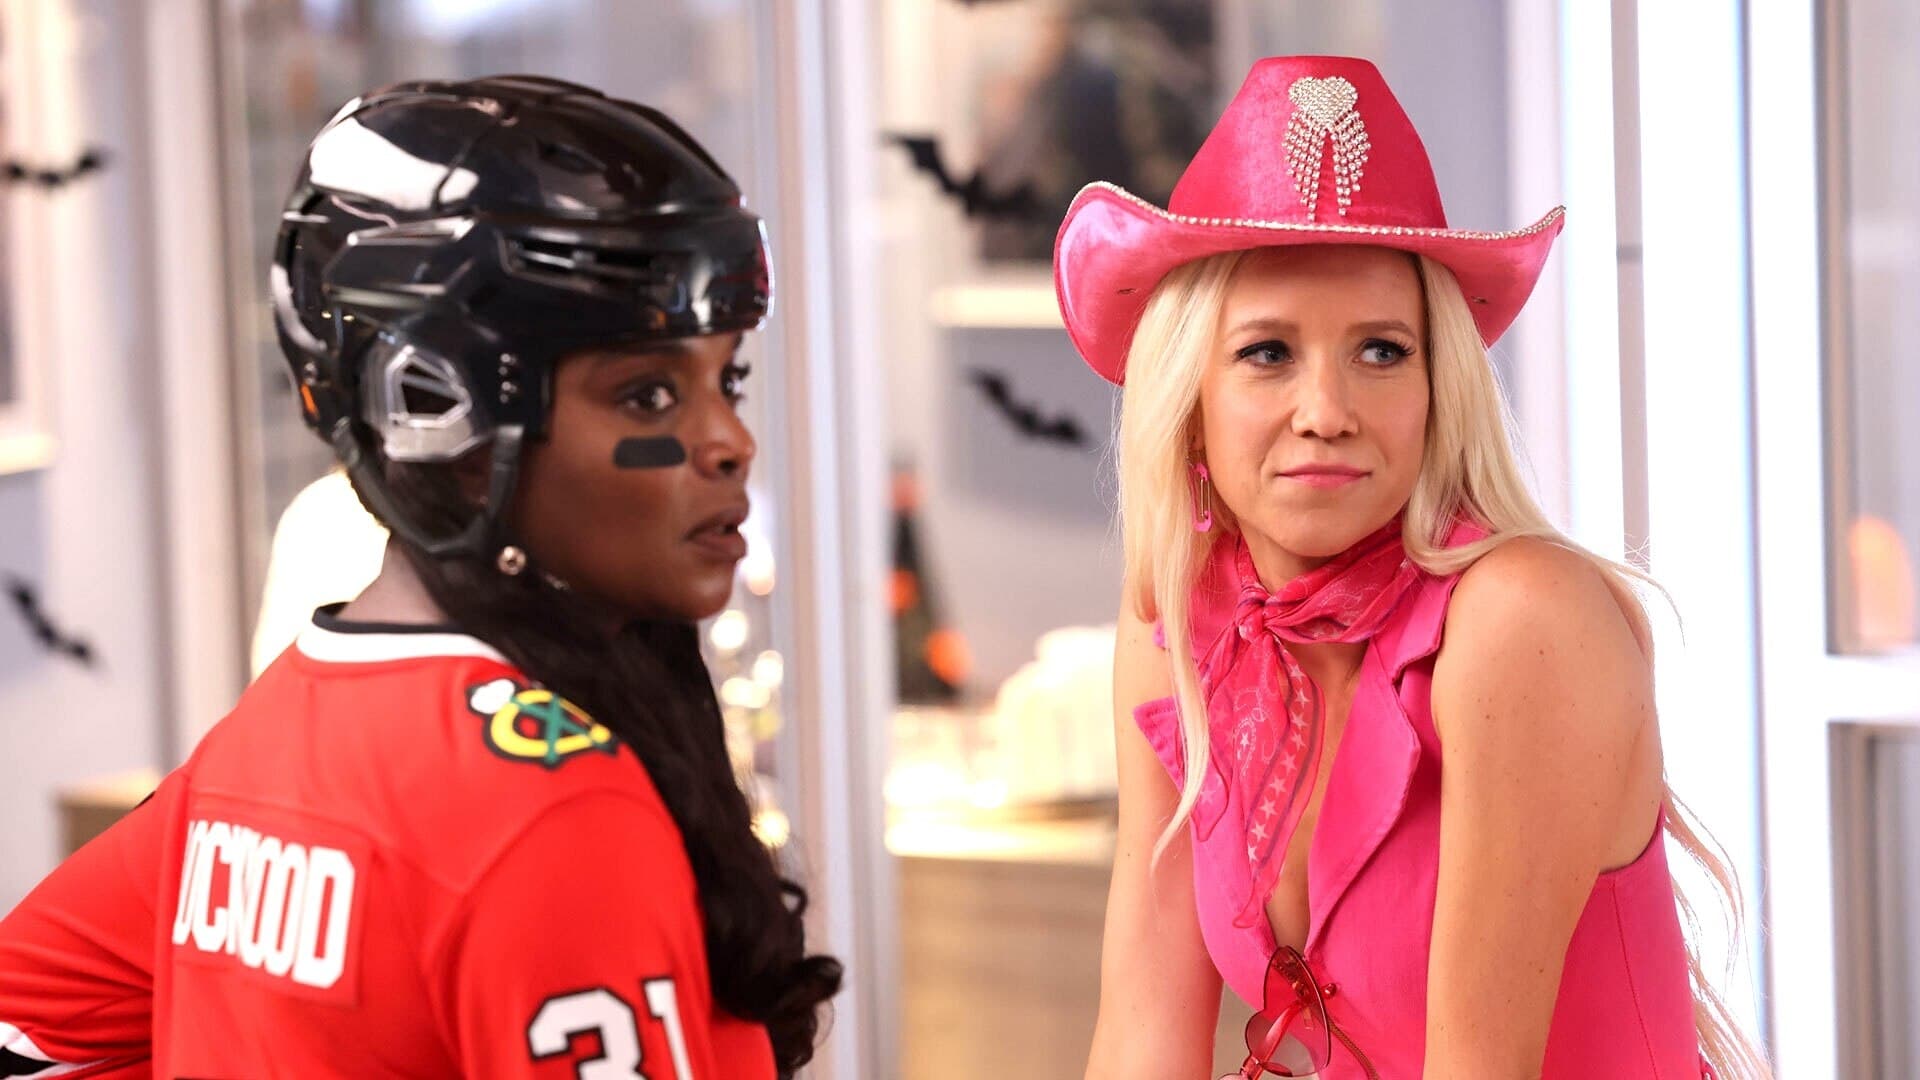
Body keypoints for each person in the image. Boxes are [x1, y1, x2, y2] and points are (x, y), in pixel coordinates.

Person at [0, 75, 839, 1078]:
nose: (730, 441)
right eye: (648, 395)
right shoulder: (558, 818)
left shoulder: (266, 742)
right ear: (439, 415)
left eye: (727, 379)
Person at [1057, 57, 1769, 1079]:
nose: (1326, 411)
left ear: (1441, 389)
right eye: (1268, 353)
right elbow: (1141, 1041)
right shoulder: (1175, 621)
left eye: (1382, 351)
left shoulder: (1520, 616)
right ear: (1189, 399)